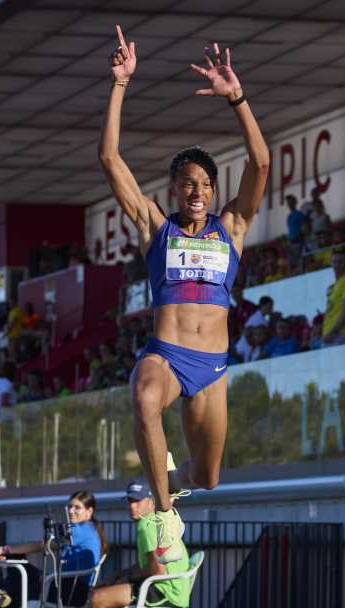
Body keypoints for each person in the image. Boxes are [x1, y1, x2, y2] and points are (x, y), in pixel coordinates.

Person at [98, 28, 270, 553]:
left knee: (210, 475)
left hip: (213, 366)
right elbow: (110, 159)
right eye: (187, 184)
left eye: (205, 185)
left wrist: (237, 99)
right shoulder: (157, 228)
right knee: (145, 397)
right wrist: (120, 85)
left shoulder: (233, 228)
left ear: (214, 192)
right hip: (167, 355)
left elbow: (261, 163)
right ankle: (165, 517)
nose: (197, 192)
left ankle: (167, 482)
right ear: (174, 189)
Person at [89, 480, 192, 608]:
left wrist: (127, 578)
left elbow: (157, 569)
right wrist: (121, 574)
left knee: (97, 599)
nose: (131, 506)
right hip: (170, 587)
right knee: (98, 594)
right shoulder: (155, 521)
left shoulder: (147, 525)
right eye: (129, 501)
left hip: (164, 589)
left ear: (151, 502)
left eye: (137, 501)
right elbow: (149, 563)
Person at [0, 490, 107, 608]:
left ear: (89, 512)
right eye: (70, 507)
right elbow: (48, 546)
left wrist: (2, 549)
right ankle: (2, 593)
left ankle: (1, 593)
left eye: (77, 508)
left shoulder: (81, 529)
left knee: (17, 574)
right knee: (16, 585)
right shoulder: (87, 531)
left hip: (70, 591)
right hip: (66, 586)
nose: (71, 511)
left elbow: (41, 546)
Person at [321, 248, 345, 345]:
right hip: (330, 336)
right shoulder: (334, 286)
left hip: (339, 335)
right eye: (334, 261)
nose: (337, 265)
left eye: (340, 262)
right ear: (331, 263)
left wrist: (332, 333)